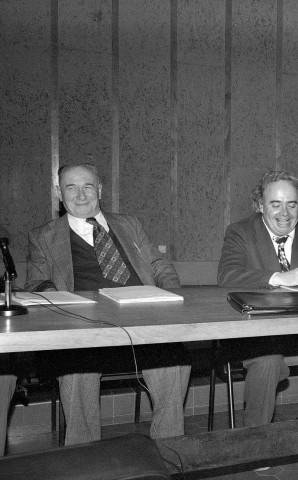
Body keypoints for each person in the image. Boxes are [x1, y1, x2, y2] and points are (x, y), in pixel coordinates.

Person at [23, 163, 191, 446]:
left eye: (87, 186)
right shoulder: (43, 237)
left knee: (175, 361)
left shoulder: (128, 224)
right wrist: (65, 304)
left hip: (144, 324)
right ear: (59, 194)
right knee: (75, 369)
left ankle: (168, 452)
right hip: (84, 330)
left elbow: (159, 265)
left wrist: (171, 298)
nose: (80, 195)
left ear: (99, 190)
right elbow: (36, 284)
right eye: (71, 188)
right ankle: (83, 457)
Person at [217, 168, 298, 427]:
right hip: (256, 332)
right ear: (260, 205)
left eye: (292, 205)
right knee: (267, 363)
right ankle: (257, 439)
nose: (284, 214)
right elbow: (227, 275)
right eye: (275, 204)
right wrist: (280, 277)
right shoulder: (240, 232)